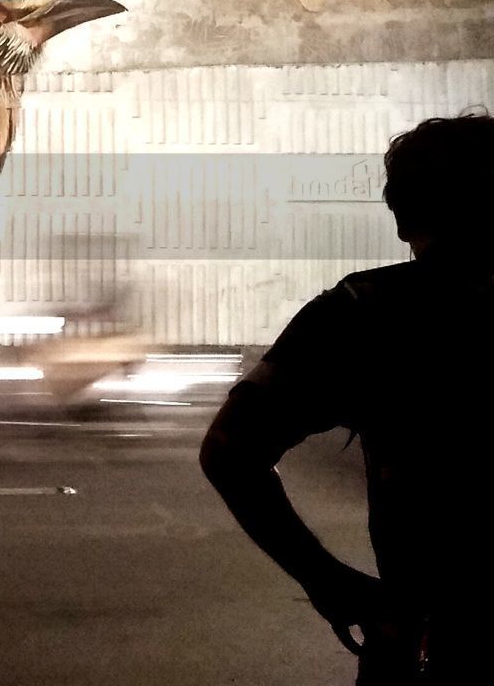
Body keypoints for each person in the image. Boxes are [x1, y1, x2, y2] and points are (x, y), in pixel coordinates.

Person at [200, 112, 493, 684]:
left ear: (404, 220)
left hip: (420, 640)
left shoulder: (362, 313)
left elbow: (230, 450)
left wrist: (328, 580)